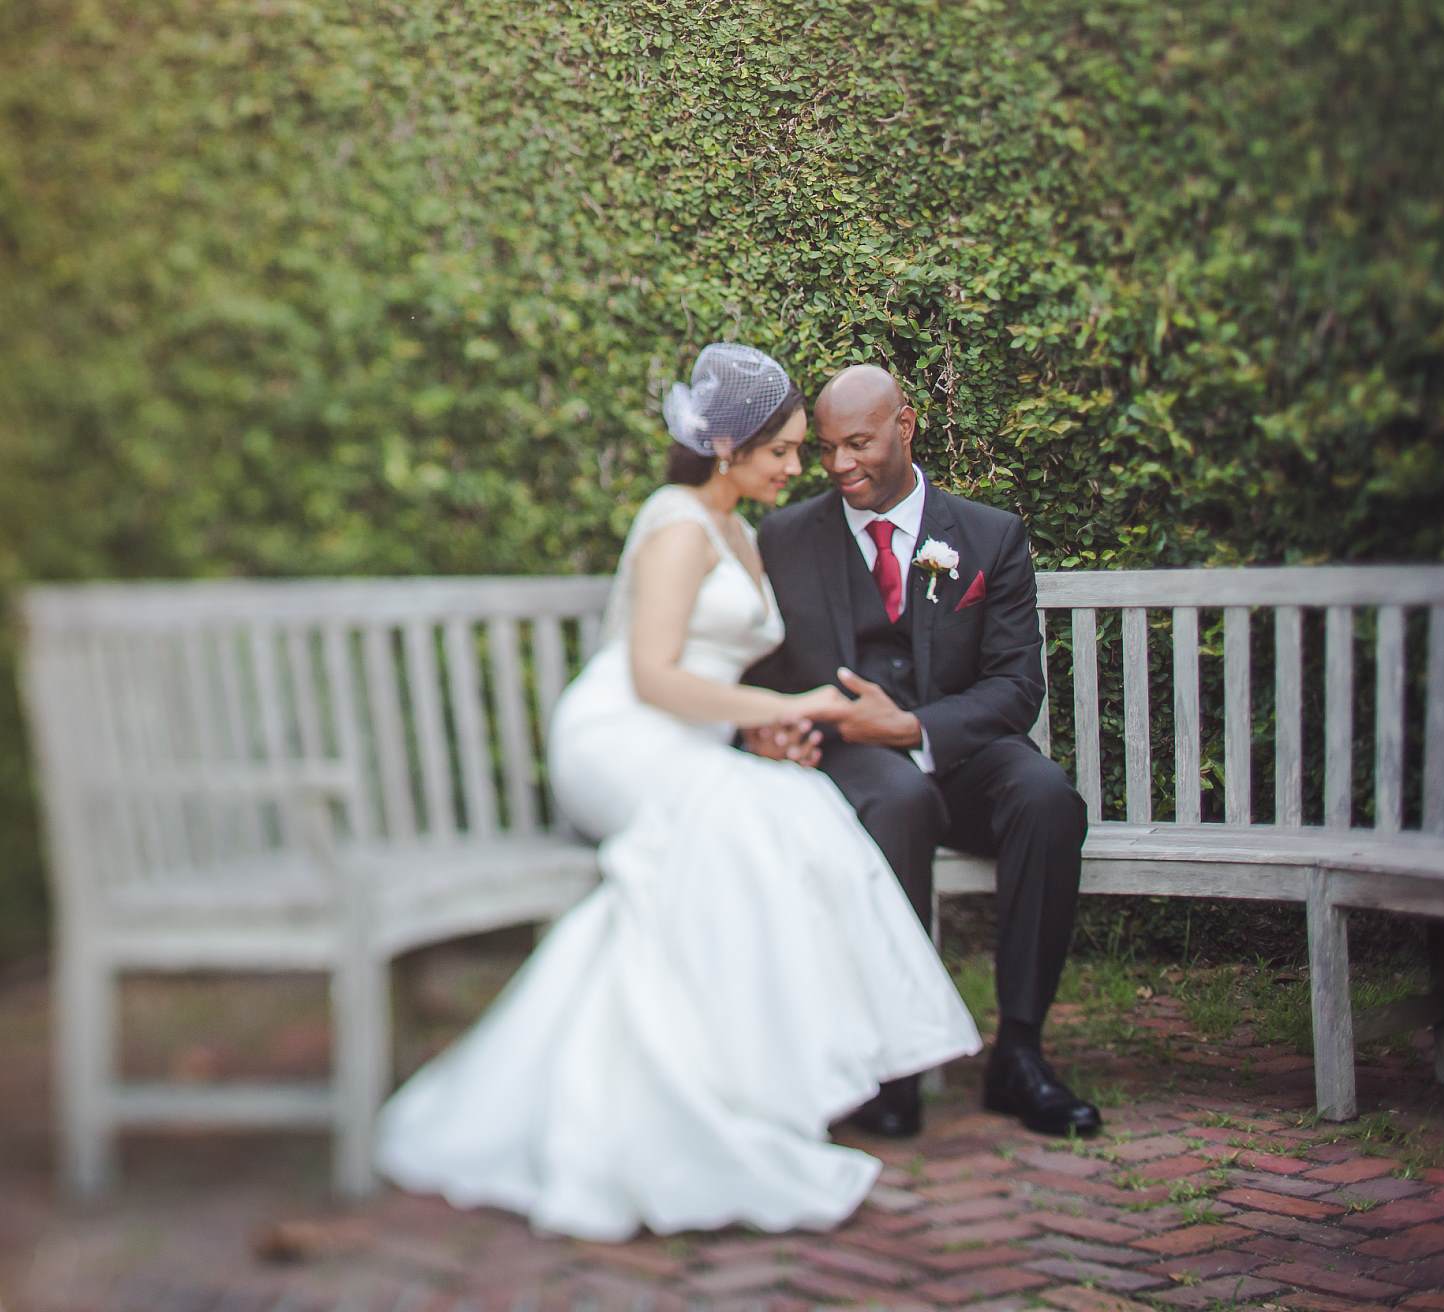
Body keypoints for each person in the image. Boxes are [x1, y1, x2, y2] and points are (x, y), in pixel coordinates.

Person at [374, 344, 981, 1241]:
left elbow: (710, 678)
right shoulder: (674, 522)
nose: (795, 465)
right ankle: (681, 1097)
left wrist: (761, 729)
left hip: (692, 743)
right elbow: (655, 676)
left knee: (794, 812)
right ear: (727, 450)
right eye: (779, 450)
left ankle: (756, 1079)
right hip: (620, 739)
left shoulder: (739, 528)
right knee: (749, 820)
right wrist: (784, 705)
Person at [742, 363, 1099, 1140]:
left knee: (1046, 799)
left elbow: (1015, 688)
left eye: (859, 444)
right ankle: (893, 1065)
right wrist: (775, 731)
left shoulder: (988, 536)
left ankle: (1021, 1053)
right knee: (897, 803)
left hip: (957, 751)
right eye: (829, 448)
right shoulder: (785, 538)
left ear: (905, 428)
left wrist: (913, 729)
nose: (840, 466)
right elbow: (760, 672)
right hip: (847, 761)